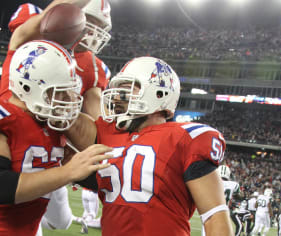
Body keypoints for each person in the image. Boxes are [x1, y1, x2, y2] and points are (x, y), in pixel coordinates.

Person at [0, 40, 112, 236]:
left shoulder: (51, 125)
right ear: (28, 87)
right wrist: (69, 171)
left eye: (70, 91)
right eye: (60, 91)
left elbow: (93, 177)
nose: (69, 98)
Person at [65, 56, 234, 235]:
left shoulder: (184, 138)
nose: (118, 97)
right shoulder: (108, 133)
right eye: (118, 89)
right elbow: (64, 117)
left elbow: (215, 216)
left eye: (128, 89)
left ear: (159, 94)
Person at [1, 1, 112, 235]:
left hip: (48, 154)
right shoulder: (36, 41)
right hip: (10, 138)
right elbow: (25, 31)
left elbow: (96, 128)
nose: (93, 31)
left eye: (100, 26)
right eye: (90, 22)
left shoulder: (92, 64)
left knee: (60, 222)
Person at [213, 165, 240, 236]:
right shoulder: (234, 185)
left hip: (211, 212)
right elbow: (238, 196)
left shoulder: (211, 181)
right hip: (224, 214)